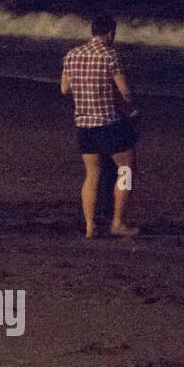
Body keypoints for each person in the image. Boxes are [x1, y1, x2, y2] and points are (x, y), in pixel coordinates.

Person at [61, 14, 139, 238]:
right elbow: (125, 91)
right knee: (127, 169)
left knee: (92, 175)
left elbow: (65, 89)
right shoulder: (110, 55)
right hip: (108, 122)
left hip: (84, 124)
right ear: (110, 33)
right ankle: (118, 222)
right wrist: (134, 108)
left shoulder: (71, 55)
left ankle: (89, 226)